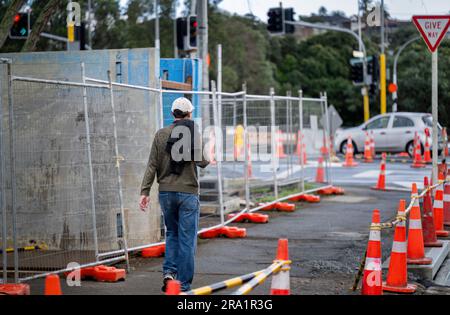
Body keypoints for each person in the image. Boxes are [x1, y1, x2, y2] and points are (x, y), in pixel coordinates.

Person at [139, 97, 209, 293]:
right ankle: (184, 286)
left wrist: (144, 191)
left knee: (171, 233)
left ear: (172, 114)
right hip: (188, 192)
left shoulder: (160, 135)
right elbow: (203, 162)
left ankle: (169, 273)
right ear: (189, 114)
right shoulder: (193, 133)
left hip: (166, 192)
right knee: (187, 239)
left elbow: (152, 164)